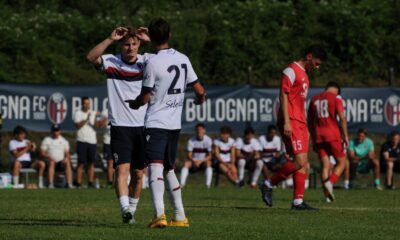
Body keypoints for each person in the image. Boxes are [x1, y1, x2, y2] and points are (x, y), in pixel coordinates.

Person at [126, 18, 206, 228]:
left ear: (151, 38)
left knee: (154, 168)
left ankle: (159, 214)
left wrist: (134, 104)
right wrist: (200, 101)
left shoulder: (152, 62)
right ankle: (180, 216)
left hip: (156, 122)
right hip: (174, 124)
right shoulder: (183, 58)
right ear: (170, 35)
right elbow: (200, 91)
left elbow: (145, 97)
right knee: (169, 169)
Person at [87, 26, 152, 224]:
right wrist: (109, 39)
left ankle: (131, 210)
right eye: (126, 44)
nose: (130, 48)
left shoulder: (147, 61)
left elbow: (166, 61)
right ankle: (125, 209)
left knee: (139, 174)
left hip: (144, 126)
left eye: (134, 44)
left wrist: (150, 41)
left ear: (139, 44)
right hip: (120, 126)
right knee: (122, 171)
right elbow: (91, 57)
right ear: (120, 45)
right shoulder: (111, 61)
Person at [259, 44, 327, 210]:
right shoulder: (290, 70)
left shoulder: (305, 75)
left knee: (304, 163)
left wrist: (306, 128)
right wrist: (287, 121)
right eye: (316, 63)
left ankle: (298, 201)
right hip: (292, 121)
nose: (316, 67)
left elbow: (298, 102)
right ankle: (268, 183)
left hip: (300, 122)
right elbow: (283, 94)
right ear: (309, 56)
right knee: (299, 161)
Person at [308, 81, 349, 202]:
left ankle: (327, 197)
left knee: (325, 166)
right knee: (342, 162)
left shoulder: (314, 99)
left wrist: (313, 136)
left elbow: (309, 121)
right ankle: (330, 183)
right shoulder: (336, 98)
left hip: (318, 135)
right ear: (337, 91)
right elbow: (342, 118)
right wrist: (345, 135)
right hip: (332, 134)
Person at [73, 96, 101, 188]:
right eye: (85, 103)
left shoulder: (93, 113)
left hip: (92, 141)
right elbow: (77, 126)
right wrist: (87, 119)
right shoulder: (78, 113)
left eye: (88, 103)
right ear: (82, 104)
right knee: (80, 162)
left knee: (91, 163)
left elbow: (97, 126)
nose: (87, 105)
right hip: (81, 140)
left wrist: (98, 119)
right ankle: (78, 183)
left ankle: (90, 182)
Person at [40, 124, 74, 189]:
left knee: (67, 162)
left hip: (60, 162)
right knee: (52, 162)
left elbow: (67, 153)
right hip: (49, 161)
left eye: (57, 131)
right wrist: (49, 157)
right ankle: (50, 184)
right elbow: (42, 153)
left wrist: (66, 158)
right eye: (54, 131)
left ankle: (69, 184)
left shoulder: (64, 141)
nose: (55, 133)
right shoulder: (47, 139)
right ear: (51, 131)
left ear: (60, 131)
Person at [180, 123, 213, 188]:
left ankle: (207, 185)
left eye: (201, 129)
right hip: (194, 161)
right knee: (186, 164)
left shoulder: (208, 140)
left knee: (209, 163)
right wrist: (194, 161)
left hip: (203, 162)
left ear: (204, 131)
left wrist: (200, 161)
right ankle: (182, 184)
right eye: (197, 130)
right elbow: (189, 155)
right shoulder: (191, 140)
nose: (199, 131)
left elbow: (210, 156)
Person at [99, 109, 113, 187]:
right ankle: (110, 182)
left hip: (118, 140)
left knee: (120, 164)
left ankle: (118, 181)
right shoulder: (105, 112)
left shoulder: (120, 110)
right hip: (108, 141)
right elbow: (100, 125)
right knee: (109, 163)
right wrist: (106, 118)